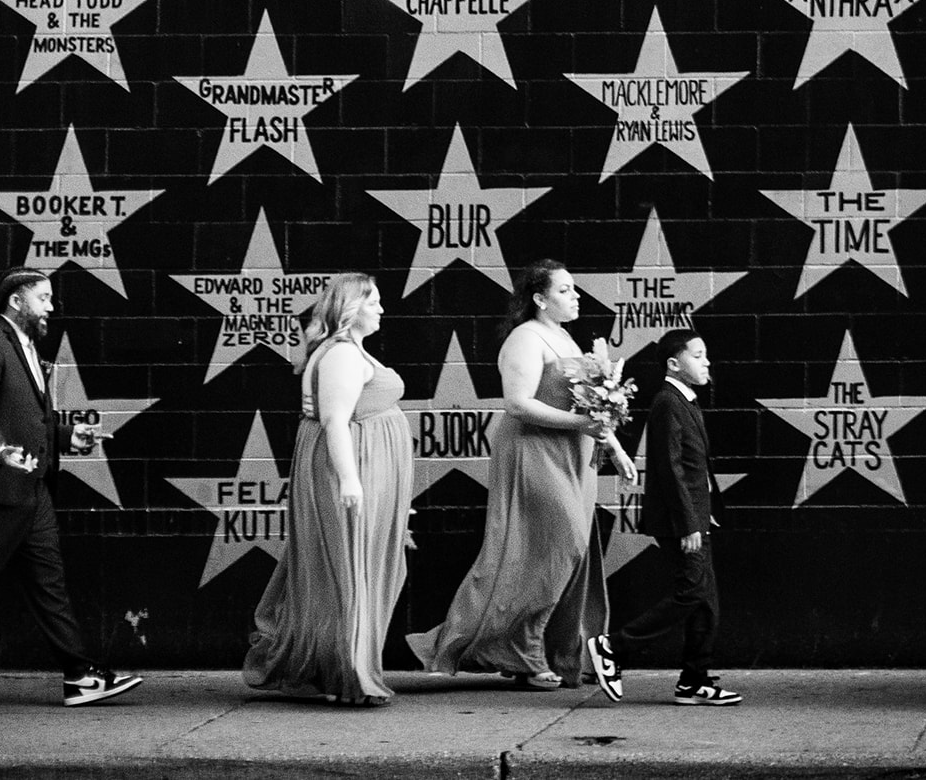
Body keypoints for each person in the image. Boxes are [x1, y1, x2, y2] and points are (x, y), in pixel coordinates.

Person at [0, 267, 140, 711]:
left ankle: (79, 677)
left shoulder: (27, 345)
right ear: (16, 300)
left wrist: (67, 436)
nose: (51, 306)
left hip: (33, 491)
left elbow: (30, 417)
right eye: (44, 298)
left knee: (49, 584)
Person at [408, 259, 636, 689]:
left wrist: (615, 448)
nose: (576, 296)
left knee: (573, 550)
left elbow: (591, 410)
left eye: (575, 289)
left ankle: (558, 652)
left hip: (575, 454)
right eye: (565, 290)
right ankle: (521, 651)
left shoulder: (565, 338)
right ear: (539, 299)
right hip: (533, 450)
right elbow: (517, 403)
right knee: (557, 546)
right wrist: (582, 427)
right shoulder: (525, 339)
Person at [243, 273, 413, 706]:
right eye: (373, 302)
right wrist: (350, 480)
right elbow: (336, 421)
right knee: (346, 570)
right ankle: (347, 675)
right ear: (351, 308)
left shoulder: (352, 351)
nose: (381, 309)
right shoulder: (340, 356)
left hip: (369, 470)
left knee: (353, 569)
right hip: (350, 470)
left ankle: (339, 669)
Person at [586, 327, 739, 707]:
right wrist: (689, 523)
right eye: (698, 355)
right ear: (674, 363)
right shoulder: (667, 403)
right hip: (680, 522)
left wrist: (706, 512)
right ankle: (612, 647)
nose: (707, 362)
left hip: (696, 517)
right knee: (692, 593)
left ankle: (694, 681)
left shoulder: (685, 401)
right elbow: (669, 469)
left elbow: (694, 465)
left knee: (705, 601)